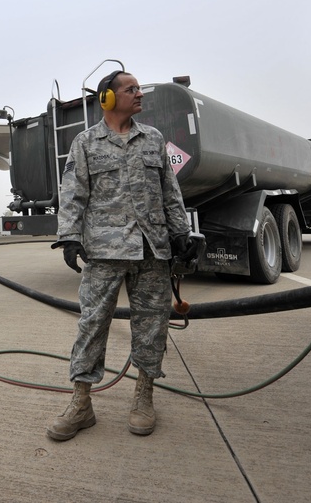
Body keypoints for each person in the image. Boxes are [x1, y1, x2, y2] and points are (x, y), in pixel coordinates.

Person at [47, 70, 197, 441]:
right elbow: (73, 193)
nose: (139, 94)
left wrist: (180, 232)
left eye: (138, 89)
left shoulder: (153, 140)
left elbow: (169, 191)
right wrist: (69, 236)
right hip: (104, 252)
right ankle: (81, 404)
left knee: (151, 325)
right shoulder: (85, 143)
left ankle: (143, 396)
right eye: (130, 90)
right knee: (92, 324)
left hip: (151, 250)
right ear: (108, 99)